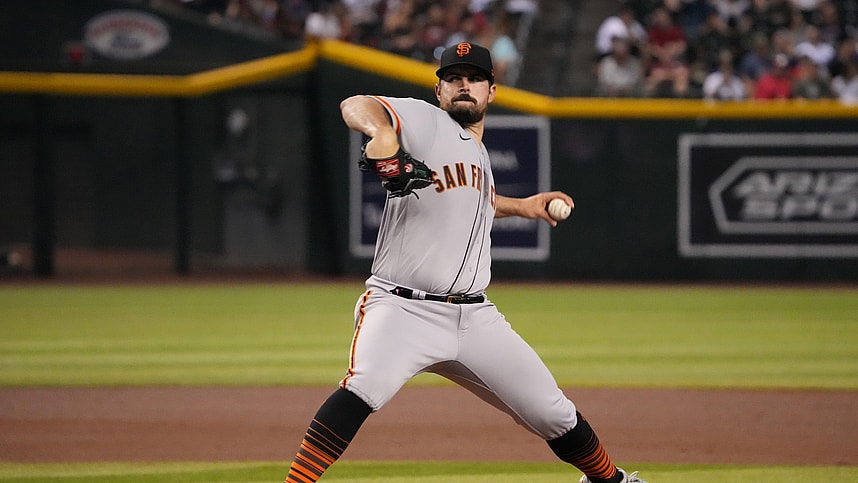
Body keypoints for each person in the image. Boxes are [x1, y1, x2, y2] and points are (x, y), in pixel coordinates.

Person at [282, 42, 649, 483]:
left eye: (473, 78)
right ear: (439, 91)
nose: (463, 86)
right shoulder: (426, 121)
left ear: (491, 91)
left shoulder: (477, 153)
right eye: (453, 78)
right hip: (404, 308)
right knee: (362, 388)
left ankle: (609, 481)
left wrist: (525, 207)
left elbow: (472, 202)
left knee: (552, 412)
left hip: (474, 317)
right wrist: (382, 135)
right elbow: (355, 104)